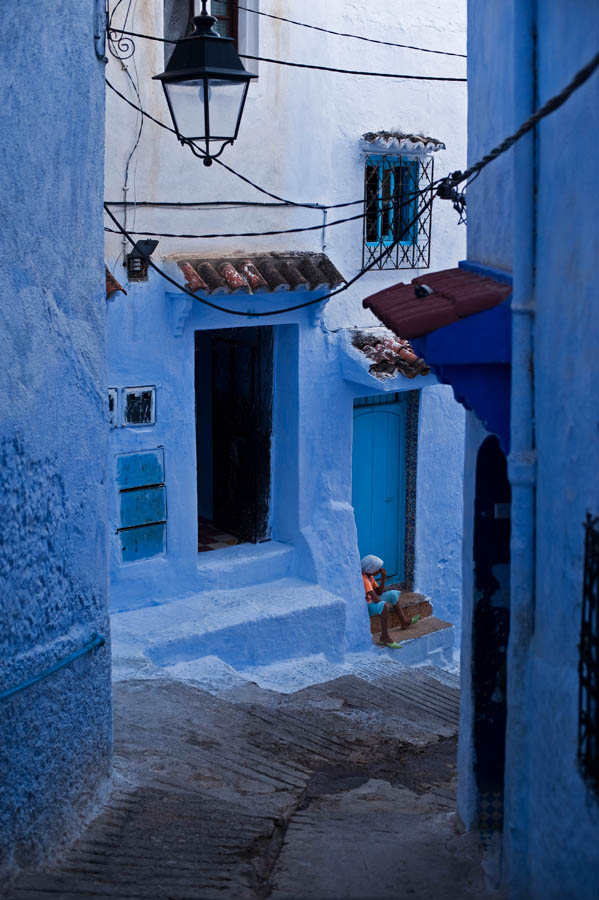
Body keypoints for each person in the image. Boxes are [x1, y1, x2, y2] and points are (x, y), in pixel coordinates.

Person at [361, 555, 419, 649]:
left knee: (393, 594)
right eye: (378, 569)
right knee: (383, 606)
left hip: (372, 599)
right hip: (367, 605)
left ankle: (404, 621)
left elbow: (379, 592)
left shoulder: (370, 576)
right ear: (370, 568)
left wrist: (383, 578)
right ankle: (384, 637)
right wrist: (382, 601)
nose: (380, 570)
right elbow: (377, 599)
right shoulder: (364, 579)